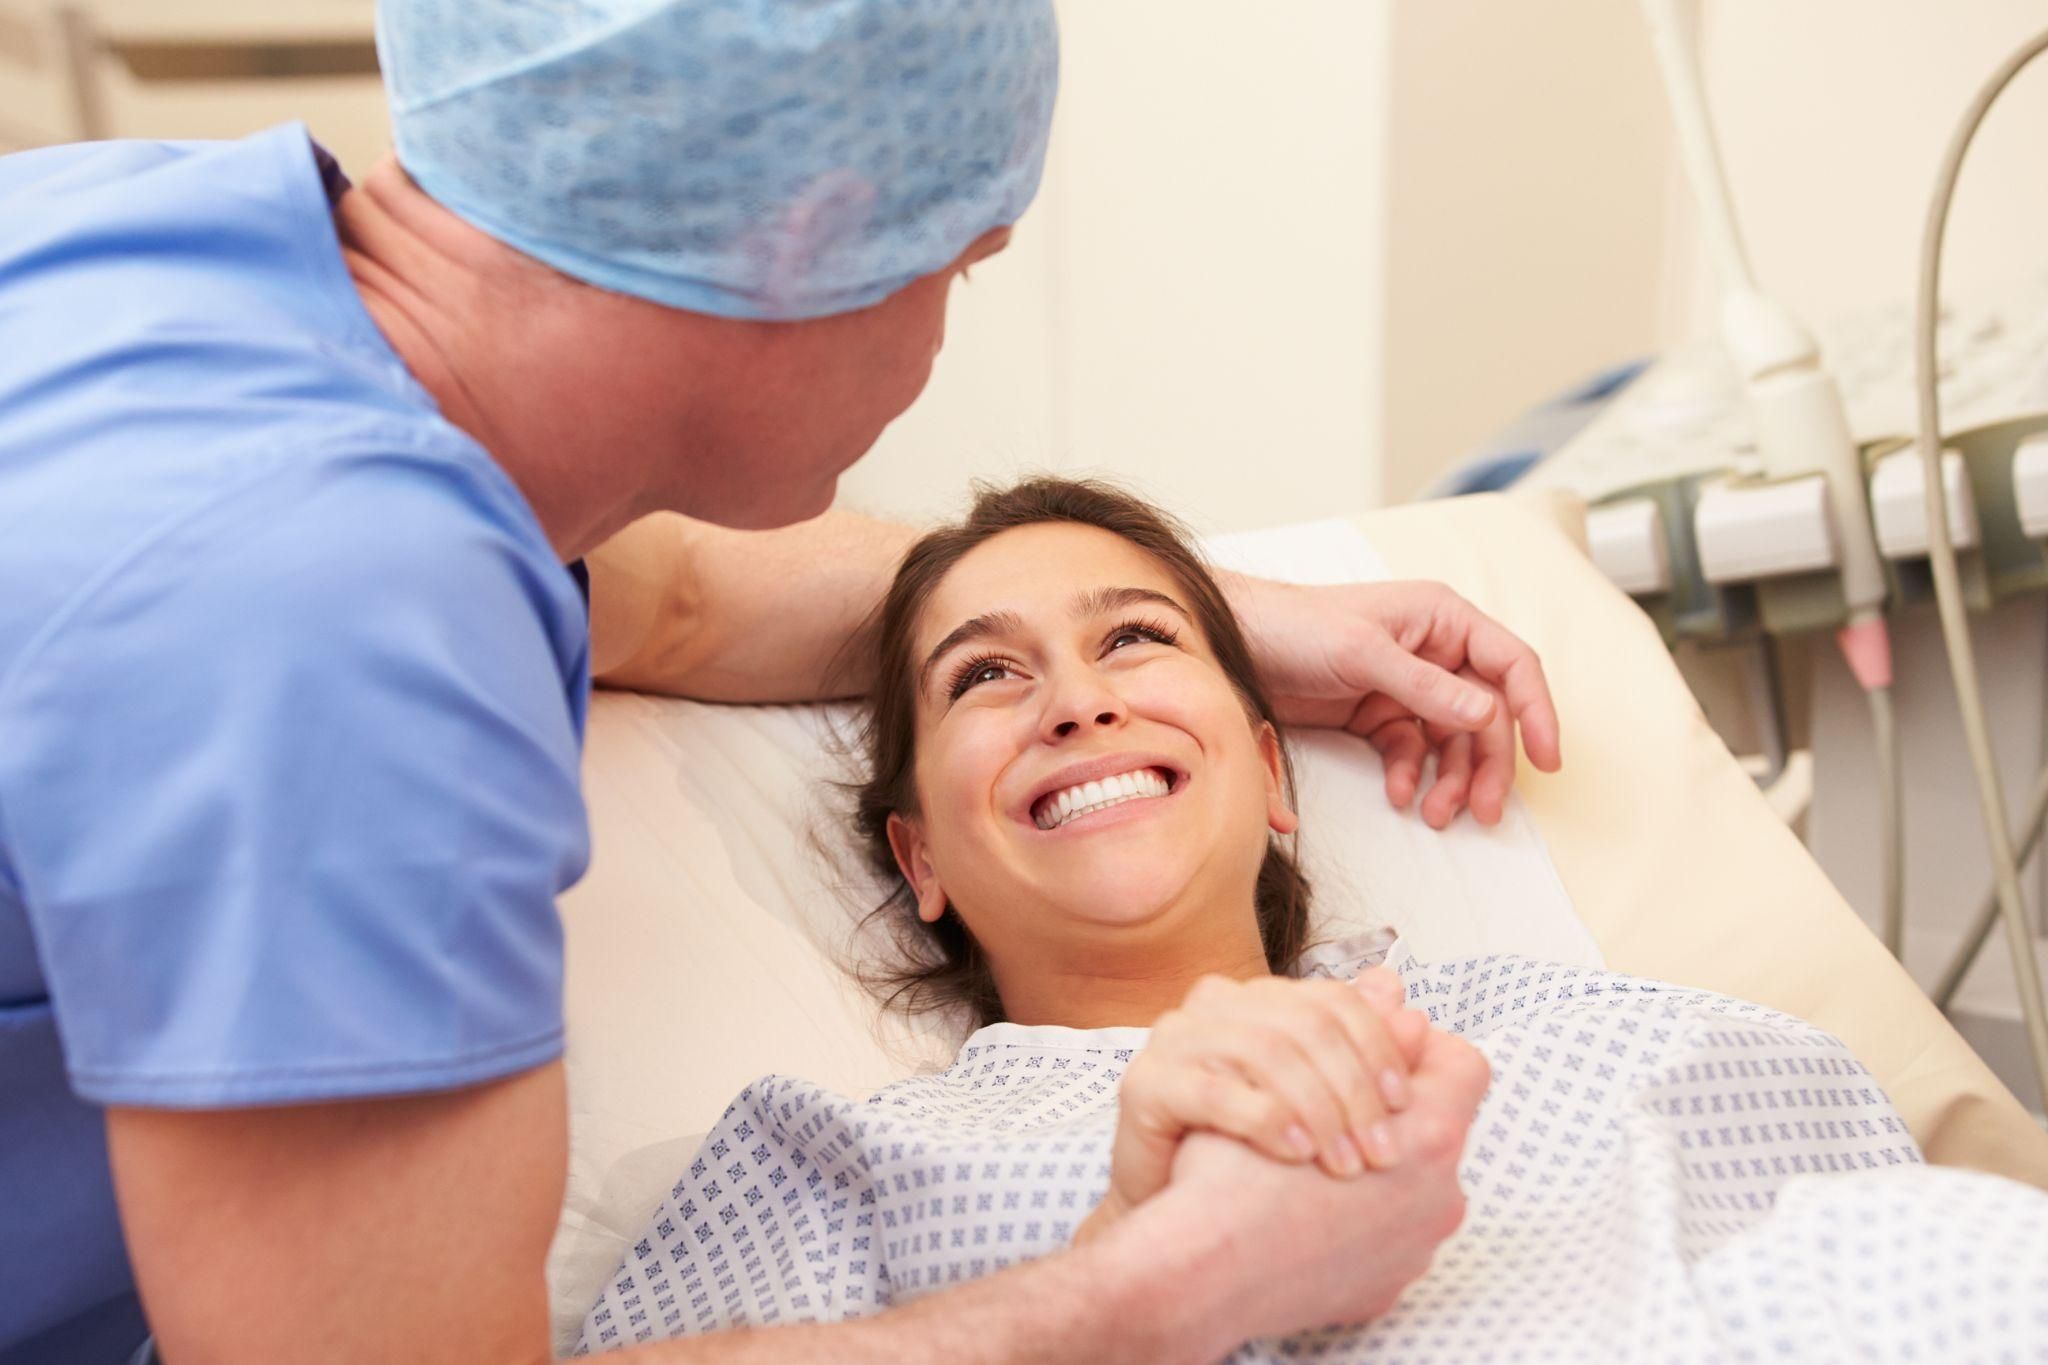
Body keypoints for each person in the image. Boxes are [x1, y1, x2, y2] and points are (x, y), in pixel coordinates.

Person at [0, 6, 1558, 1363]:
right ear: (809, 240)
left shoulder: (130, 247)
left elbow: (663, 596)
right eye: (962, 261)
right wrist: (1173, 1286)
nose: (944, 332)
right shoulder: (349, 631)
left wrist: (1221, 612)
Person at [580, 479, 2048, 1363]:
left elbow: (1910, 1252)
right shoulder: (831, 1165)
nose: (1079, 700)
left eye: (1137, 640)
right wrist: (1119, 1266)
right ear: (921, 856)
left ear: (1278, 770)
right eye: (983, 677)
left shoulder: (1612, 1021)